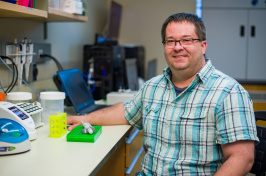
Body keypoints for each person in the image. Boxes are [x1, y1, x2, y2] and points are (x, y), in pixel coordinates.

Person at [67, 13, 259, 175]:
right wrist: (84, 118)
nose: (177, 47)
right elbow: (125, 112)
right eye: (171, 41)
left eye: (186, 40)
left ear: (203, 45)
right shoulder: (153, 87)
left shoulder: (229, 92)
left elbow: (242, 158)